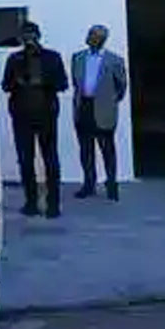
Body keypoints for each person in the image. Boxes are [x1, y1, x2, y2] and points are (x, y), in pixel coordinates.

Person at [1, 21, 69, 218]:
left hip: (46, 115)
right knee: (25, 161)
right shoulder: (14, 59)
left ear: (38, 35)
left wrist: (44, 82)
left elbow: (63, 83)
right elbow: (5, 85)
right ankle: (30, 203)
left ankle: (53, 205)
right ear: (21, 38)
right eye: (25, 35)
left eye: (31, 34)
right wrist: (18, 82)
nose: (28, 38)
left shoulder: (52, 57)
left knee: (50, 160)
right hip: (21, 116)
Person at [70, 25, 128, 200]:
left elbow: (122, 86)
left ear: (101, 39)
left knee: (107, 149)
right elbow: (75, 82)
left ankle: (111, 185)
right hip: (84, 107)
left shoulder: (115, 60)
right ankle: (89, 184)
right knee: (86, 149)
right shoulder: (78, 58)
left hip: (104, 110)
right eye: (89, 34)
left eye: (93, 35)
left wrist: (109, 101)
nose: (89, 37)